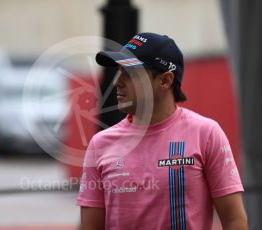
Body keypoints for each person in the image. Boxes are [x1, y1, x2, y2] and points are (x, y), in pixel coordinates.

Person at [77, 32, 248, 230]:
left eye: (130, 73)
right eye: (118, 71)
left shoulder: (206, 133)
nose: (117, 82)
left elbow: (235, 220)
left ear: (165, 80)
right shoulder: (100, 143)